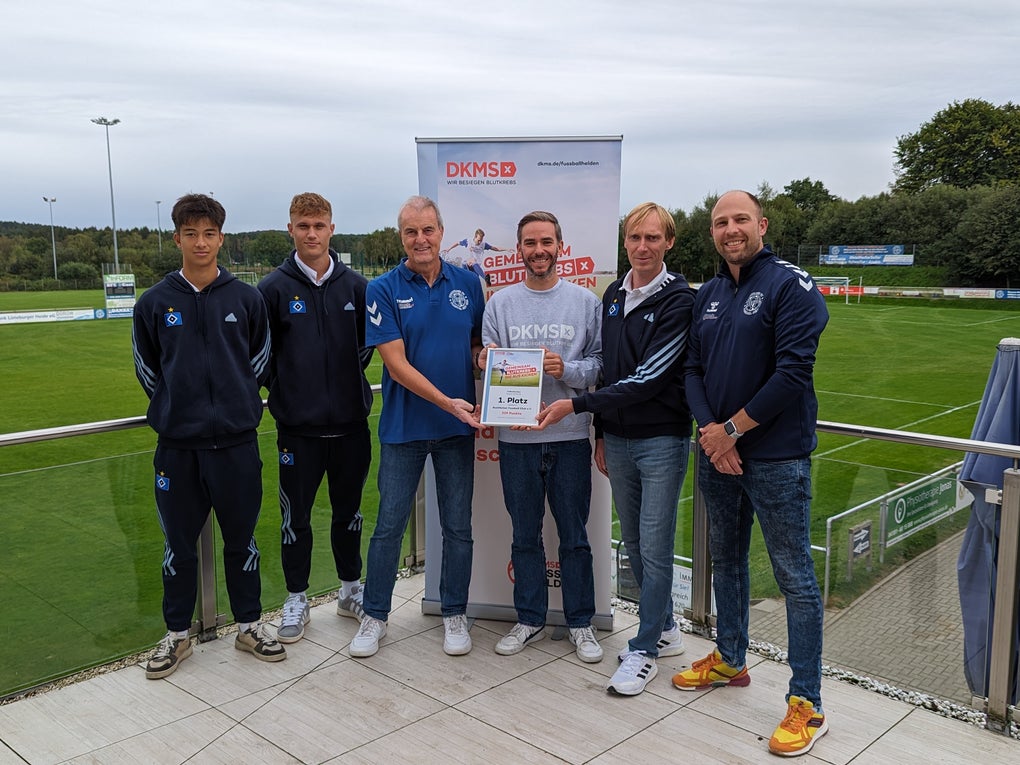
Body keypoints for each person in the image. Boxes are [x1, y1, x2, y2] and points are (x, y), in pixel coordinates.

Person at [674, 190, 829, 757]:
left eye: (740, 219)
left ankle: (807, 702)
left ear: (762, 225)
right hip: (719, 455)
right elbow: (692, 370)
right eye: (721, 222)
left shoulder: (791, 285)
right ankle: (731, 660)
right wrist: (712, 433)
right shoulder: (709, 293)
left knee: (794, 577)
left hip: (776, 459)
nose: (730, 229)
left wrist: (731, 431)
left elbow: (793, 373)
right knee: (727, 563)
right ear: (712, 232)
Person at [537, 202, 696, 695]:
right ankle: (665, 629)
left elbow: (648, 378)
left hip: (662, 440)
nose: (642, 247)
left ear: (669, 242)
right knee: (636, 543)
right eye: (634, 238)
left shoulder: (680, 300)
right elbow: (608, 369)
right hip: (620, 440)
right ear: (624, 242)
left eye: (653, 238)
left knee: (655, 545)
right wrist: (602, 431)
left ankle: (644, 651)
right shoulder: (612, 295)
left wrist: (578, 406)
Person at [132, 193, 285, 679]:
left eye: (209, 234)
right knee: (178, 546)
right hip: (178, 449)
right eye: (191, 234)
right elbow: (148, 370)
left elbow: (260, 361)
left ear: (221, 239)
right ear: (177, 238)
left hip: (236, 445)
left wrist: (236, 403)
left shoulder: (247, 299)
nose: (200, 242)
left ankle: (249, 626)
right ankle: (177, 635)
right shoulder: (153, 303)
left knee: (242, 541)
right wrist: (177, 408)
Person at [351, 195, 484, 658]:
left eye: (428, 230)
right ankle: (374, 616)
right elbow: (396, 365)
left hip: (456, 431)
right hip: (404, 428)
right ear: (401, 237)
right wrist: (449, 403)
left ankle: (455, 613)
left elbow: (474, 345)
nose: (420, 239)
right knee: (389, 527)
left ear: (441, 233)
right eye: (411, 232)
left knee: (458, 528)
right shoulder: (381, 289)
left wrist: (484, 360)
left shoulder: (469, 282)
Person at [478, 211, 603, 663]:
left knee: (574, 536)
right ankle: (529, 618)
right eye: (530, 243)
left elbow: (599, 367)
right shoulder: (500, 304)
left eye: (546, 242)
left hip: (569, 436)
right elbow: (488, 361)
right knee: (524, 535)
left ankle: (581, 622)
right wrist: (488, 362)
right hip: (516, 440)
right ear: (519, 250)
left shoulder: (585, 303)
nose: (538, 251)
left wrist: (565, 369)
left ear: (560, 246)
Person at [257, 192, 374, 644]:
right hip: (297, 431)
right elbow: (260, 356)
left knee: (349, 514)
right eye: (303, 226)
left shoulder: (357, 287)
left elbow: (366, 348)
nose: (311, 234)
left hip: (350, 427)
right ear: (291, 229)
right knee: (296, 519)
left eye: (319, 225)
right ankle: (296, 598)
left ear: (331, 229)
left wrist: (341, 385)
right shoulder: (271, 289)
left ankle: (350, 591)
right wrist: (289, 388)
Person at [441, 228, 510, 283]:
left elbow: (495, 248)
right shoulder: (468, 241)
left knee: (474, 280)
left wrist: (506, 249)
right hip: (466, 265)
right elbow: (458, 243)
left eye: (481, 240)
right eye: (478, 240)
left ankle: (479, 281)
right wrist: (449, 249)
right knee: (472, 260)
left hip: (475, 268)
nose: (479, 242)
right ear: (475, 237)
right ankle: (485, 278)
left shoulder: (483, 244)